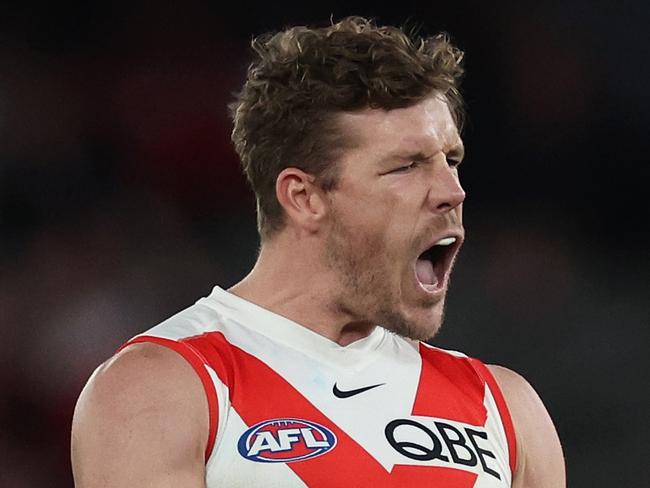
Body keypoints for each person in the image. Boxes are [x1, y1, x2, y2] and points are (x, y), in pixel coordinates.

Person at [71, 16, 565, 487]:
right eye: (406, 166)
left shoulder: (503, 407)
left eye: (451, 160)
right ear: (304, 197)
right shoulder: (166, 388)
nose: (452, 191)